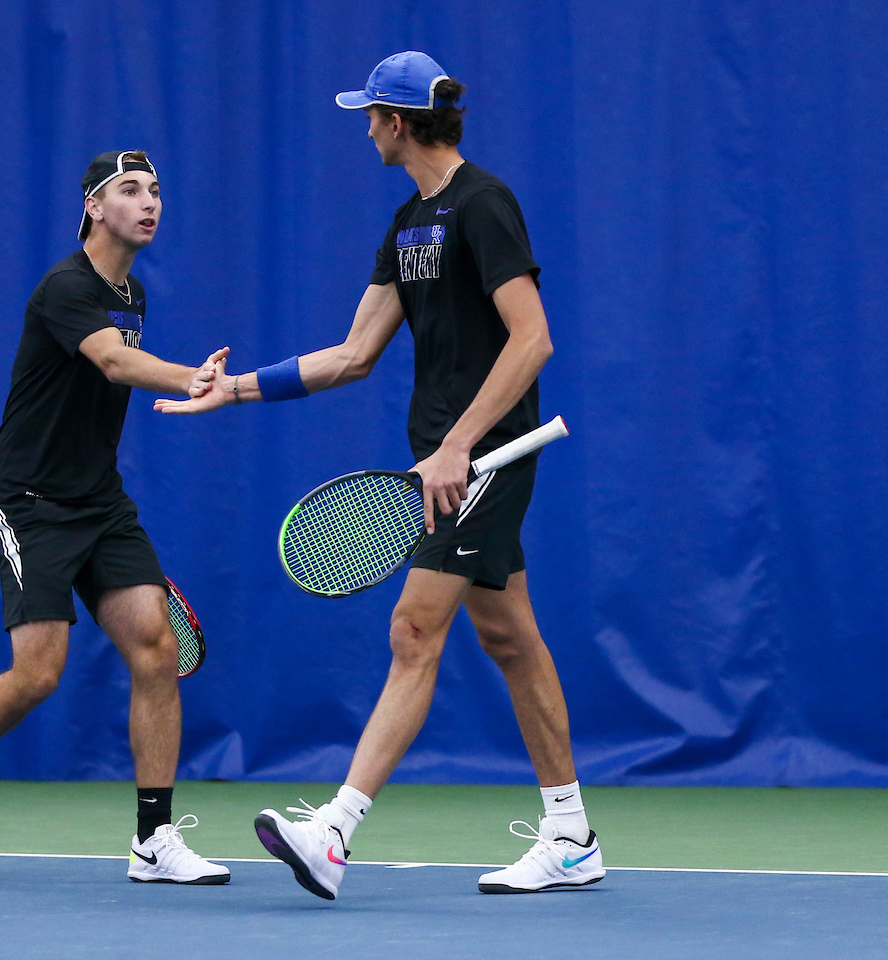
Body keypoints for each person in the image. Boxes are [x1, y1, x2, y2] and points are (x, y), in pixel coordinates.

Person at [154, 53, 603, 899]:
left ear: (399, 122)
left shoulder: (485, 204)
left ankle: (334, 831)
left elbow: (532, 337)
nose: (362, 127)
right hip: (444, 459)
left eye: (369, 114)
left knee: (412, 630)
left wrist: (460, 445)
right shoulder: (408, 223)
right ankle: (572, 834)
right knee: (509, 638)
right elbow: (354, 355)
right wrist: (234, 392)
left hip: (480, 458)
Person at [0, 150, 230, 886]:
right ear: (93, 206)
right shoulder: (64, 287)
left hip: (101, 503)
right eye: (130, 191)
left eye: (156, 191)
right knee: (38, 674)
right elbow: (114, 365)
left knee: (154, 651)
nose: (150, 203)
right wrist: (193, 376)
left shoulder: (132, 291)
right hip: (31, 504)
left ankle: (154, 841)